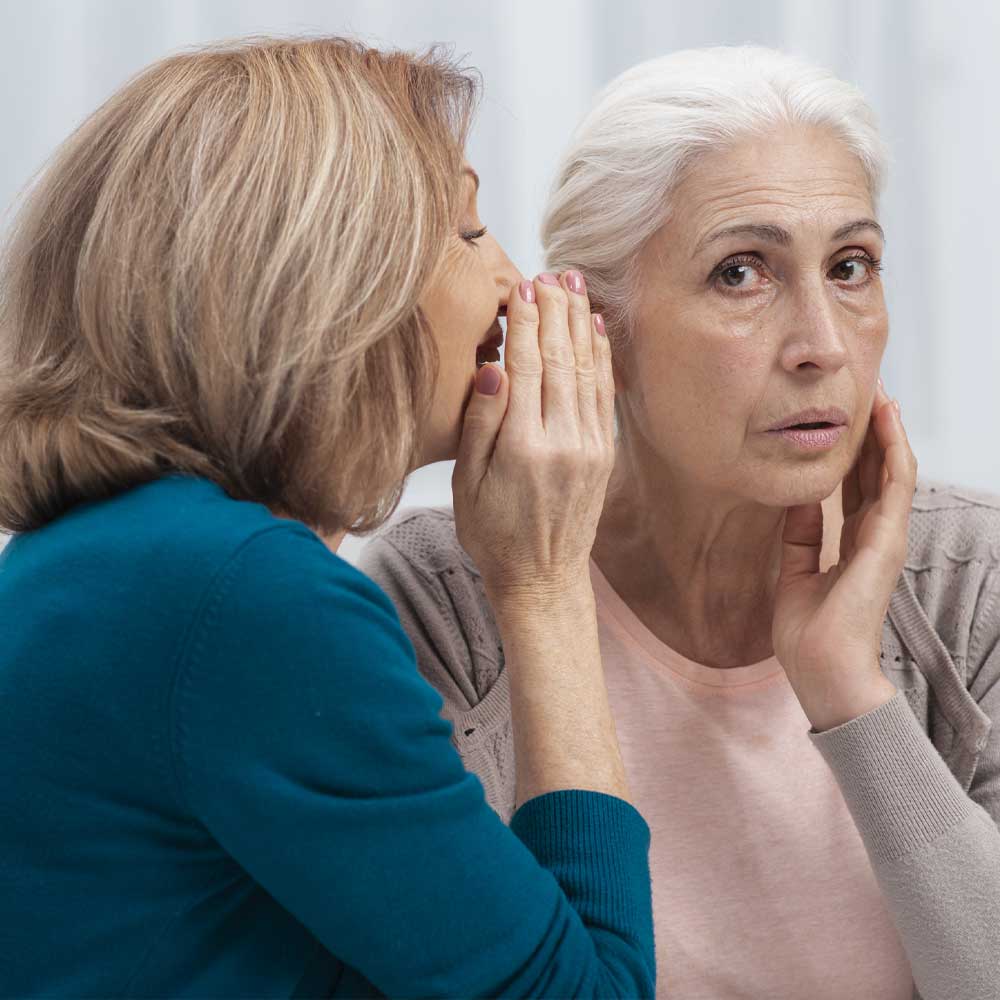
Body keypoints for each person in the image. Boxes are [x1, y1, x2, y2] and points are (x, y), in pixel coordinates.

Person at [0, 37, 656, 997]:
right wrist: (546, 580)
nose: (518, 283)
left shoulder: (102, 565)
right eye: (470, 233)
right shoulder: (243, 597)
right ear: (331, 279)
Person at [360, 46, 1000, 1000]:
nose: (824, 345)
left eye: (852, 266)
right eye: (741, 273)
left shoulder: (969, 575)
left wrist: (850, 693)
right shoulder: (438, 597)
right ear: (592, 322)